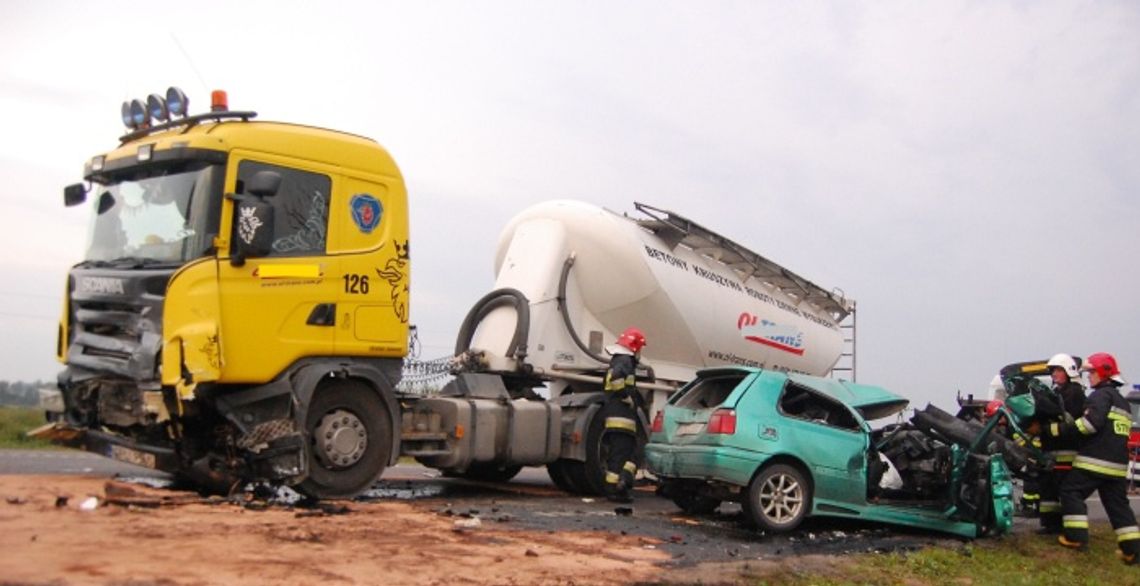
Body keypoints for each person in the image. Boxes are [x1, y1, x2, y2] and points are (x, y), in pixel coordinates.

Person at [1055, 352, 1140, 564]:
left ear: (1104, 373)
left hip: (1095, 461)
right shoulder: (1123, 402)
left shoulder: (1100, 396)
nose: (1089, 376)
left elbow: (1090, 425)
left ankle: (1076, 538)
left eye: (1092, 372)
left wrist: (1064, 430)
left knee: (1070, 490)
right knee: (1118, 507)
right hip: (1118, 466)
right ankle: (1132, 551)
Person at [1036, 353, 1086, 533]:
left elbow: (1070, 422)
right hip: (1052, 451)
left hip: (1067, 452)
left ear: (1069, 371)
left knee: (1063, 491)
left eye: (1058, 370)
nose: (1054, 374)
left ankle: (1068, 529)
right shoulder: (1057, 393)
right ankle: (1050, 525)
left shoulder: (1074, 393)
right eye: (1052, 371)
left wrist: (1047, 428)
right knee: (1048, 490)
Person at [601, 326, 647, 503]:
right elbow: (616, 379)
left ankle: (623, 484)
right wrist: (625, 396)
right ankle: (614, 490)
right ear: (635, 347)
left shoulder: (618, 359)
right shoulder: (624, 360)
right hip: (621, 419)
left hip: (618, 418)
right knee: (620, 456)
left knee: (627, 455)